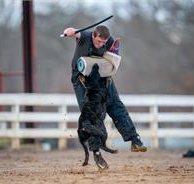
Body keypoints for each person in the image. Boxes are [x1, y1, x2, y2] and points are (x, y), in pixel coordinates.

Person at [63, 25, 147, 153]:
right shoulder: (85, 36)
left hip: (102, 77)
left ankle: (135, 140)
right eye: (98, 41)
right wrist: (69, 31)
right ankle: (96, 149)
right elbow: (75, 33)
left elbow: (113, 59)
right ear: (93, 36)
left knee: (117, 107)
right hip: (81, 80)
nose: (101, 44)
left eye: (103, 42)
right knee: (91, 113)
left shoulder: (110, 41)